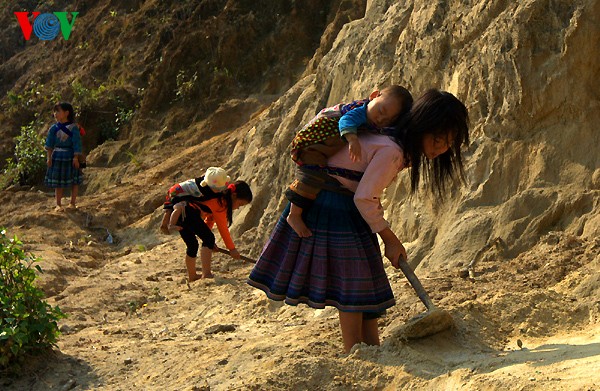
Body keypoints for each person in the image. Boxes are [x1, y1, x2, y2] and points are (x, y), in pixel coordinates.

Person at [248, 89, 469, 353]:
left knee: (366, 280)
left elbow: (364, 192)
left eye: (447, 143)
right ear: (422, 127)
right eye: (437, 140)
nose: (441, 149)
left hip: (345, 202)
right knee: (352, 284)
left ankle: (371, 346)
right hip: (331, 202)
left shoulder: (391, 144)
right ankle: (354, 350)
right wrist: (390, 238)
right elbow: (364, 198)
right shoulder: (393, 152)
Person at [286, 85, 413, 237]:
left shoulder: (373, 119)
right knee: (311, 176)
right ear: (373, 96)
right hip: (313, 144)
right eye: (381, 111)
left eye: (387, 120)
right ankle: (294, 214)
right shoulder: (359, 111)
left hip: (325, 145)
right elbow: (346, 121)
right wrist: (352, 139)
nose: (380, 119)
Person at [171, 180, 252, 281]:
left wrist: (208, 243)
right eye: (239, 204)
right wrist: (232, 249)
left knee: (193, 245)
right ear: (234, 195)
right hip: (188, 211)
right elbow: (223, 229)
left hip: (181, 213)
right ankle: (207, 273)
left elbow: (210, 220)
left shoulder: (217, 201)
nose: (237, 208)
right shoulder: (220, 203)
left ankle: (192, 276)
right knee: (209, 238)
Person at [159, 167, 231, 234]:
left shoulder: (206, 181)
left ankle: (164, 224)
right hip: (177, 193)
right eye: (217, 189)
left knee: (169, 208)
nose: (218, 191)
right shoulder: (204, 189)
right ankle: (171, 224)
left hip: (176, 189)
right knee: (178, 207)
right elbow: (212, 197)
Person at [44, 102, 84, 211]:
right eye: (54, 111)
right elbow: (49, 144)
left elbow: (77, 143)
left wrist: (76, 157)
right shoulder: (53, 128)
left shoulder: (73, 128)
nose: (55, 114)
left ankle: (72, 202)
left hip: (70, 156)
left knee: (74, 180)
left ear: (66, 113)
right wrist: (49, 157)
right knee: (58, 181)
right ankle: (58, 204)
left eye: (58, 111)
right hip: (57, 156)